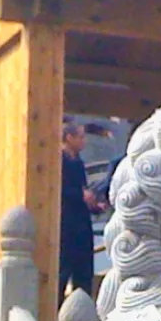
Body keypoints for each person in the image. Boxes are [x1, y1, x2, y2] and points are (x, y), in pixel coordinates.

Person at [59, 119, 104, 306]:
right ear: (69, 138)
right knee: (62, 272)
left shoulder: (78, 162)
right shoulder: (59, 161)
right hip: (66, 225)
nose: (84, 141)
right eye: (80, 137)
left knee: (84, 273)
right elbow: (59, 190)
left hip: (82, 225)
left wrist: (94, 205)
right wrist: (80, 195)